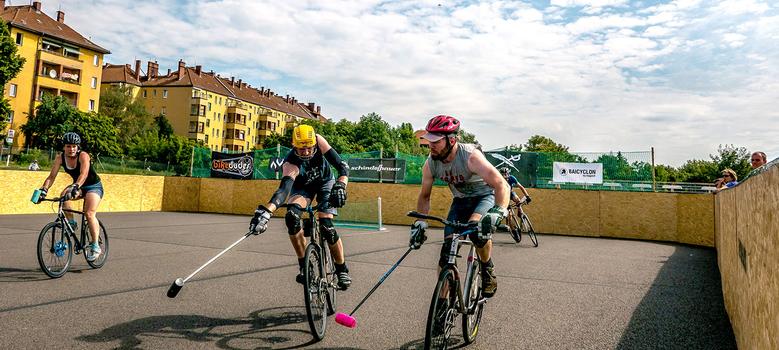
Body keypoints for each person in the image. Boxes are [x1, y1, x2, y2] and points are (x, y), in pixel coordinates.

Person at [409, 115, 509, 298]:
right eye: (429, 140)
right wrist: (420, 223)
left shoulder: (471, 157)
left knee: (477, 233)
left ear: (451, 140)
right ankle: (442, 306)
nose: (430, 145)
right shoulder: (431, 163)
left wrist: (498, 211)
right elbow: (424, 196)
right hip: (461, 201)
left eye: (436, 141)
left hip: (484, 197)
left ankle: (487, 269)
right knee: (446, 252)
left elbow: (502, 185)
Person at [248, 124, 352, 290]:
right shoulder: (290, 162)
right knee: (292, 217)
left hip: (326, 182)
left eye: (309, 149)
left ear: (314, 144)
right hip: (303, 188)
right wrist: (267, 212)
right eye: (300, 149)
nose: (305, 153)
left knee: (326, 225)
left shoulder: (318, 140)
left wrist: (341, 185)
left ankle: (342, 269)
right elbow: (283, 190)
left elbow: (342, 167)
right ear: (293, 145)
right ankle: (304, 265)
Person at [36, 132, 105, 261]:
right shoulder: (60, 158)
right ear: (64, 147)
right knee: (63, 195)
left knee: (89, 214)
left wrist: (75, 186)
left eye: (74, 146)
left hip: (93, 186)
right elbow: (51, 177)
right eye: (68, 146)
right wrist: (43, 190)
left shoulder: (83, 156)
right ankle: (72, 223)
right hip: (78, 186)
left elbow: (84, 174)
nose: (71, 149)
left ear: (78, 147)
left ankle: (95, 245)